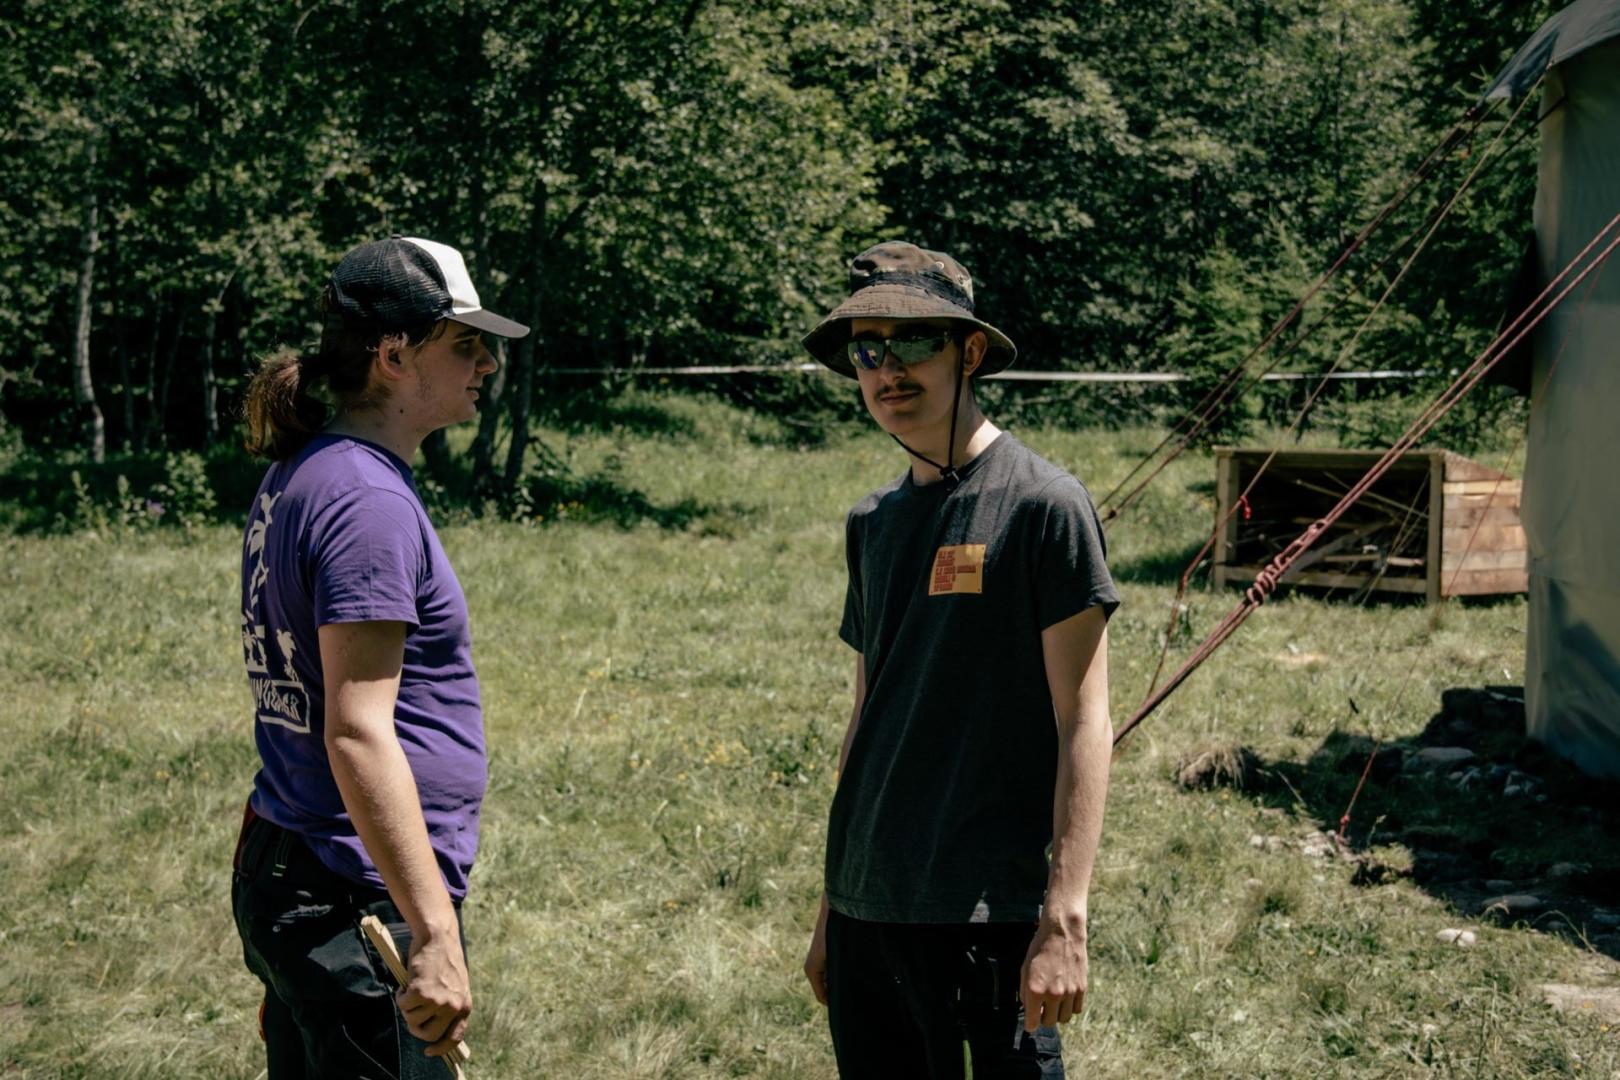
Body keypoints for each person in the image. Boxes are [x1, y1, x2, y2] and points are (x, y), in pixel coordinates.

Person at [800, 241, 1119, 1078]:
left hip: (987, 916)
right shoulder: (871, 522)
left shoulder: (1044, 505)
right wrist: (834, 902)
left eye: (912, 341)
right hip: (869, 908)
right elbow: (867, 718)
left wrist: (1065, 914)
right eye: (867, 350)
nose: (887, 370)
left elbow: (1085, 719)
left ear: (969, 351)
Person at [233, 236, 528, 1078]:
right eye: (465, 344)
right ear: (394, 356)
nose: (486, 365)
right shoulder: (366, 500)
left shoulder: (309, 470)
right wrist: (432, 931)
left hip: (303, 865)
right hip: (355, 896)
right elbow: (357, 731)